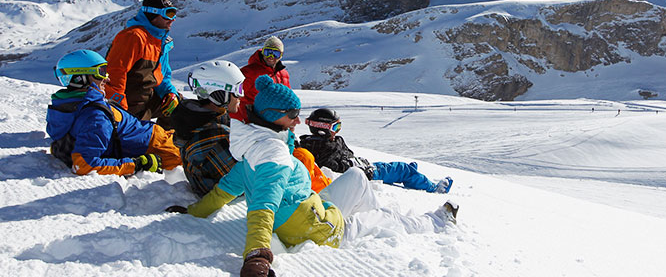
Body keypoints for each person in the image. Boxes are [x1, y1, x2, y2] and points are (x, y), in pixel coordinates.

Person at [166, 76, 458, 277]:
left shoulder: (252, 146)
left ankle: (371, 216)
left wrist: (194, 212)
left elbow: (224, 190)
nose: (297, 121)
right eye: (291, 115)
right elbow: (262, 208)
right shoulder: (273, 156)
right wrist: (257, 255)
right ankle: (436, 220)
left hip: (307, 206)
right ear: (271, 116)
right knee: (385, 220)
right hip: (318, 228)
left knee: (357, 176)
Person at [46, 49, 181, 176]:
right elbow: (84, 164)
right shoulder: (94, 116)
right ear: (79, 78)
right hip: (158, 147)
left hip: (155, 136)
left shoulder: (67, 107)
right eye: (101, 72)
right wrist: (137, 164)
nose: (107, 78)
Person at [299, 108, 453, 194]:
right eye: (335, 127)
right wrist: (355, 165)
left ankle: (411, 173)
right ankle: (432, 188)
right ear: (324, 129)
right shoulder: (324, 149)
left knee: (393, 166)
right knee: (401, 168)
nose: (337, 131)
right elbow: (335, 169)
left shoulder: (316, 143)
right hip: (368, 173)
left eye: (338, 127)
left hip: (364, 166)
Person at [171, 60, 245, 196]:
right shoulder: (216, 137)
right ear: (220, 94)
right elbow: (251, 179)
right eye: (237, 90)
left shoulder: (195, 121)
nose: (241, 96)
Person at [105, 0, 181, 124]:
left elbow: (162, 75)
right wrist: (120, 110)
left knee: (182, 110)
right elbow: (114, 74)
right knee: (139, 139)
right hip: (131, 104)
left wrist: (170, 93)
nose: (173, 19)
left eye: (174, 13)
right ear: (153, 14)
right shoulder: (133, 37)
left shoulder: (160, 40)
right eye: (169, 14)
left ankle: (169, 141)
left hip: (148, 98)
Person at [230, 36, 290, 123]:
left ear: (281, 55)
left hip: (273, 121)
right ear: (262, 52)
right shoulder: (249, 72)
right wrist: (241, 121)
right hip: (249, 123)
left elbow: (286, 99)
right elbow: (233, 97)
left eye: (275, 54)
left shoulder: (283, 74)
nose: (271, 56)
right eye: (267, 52)